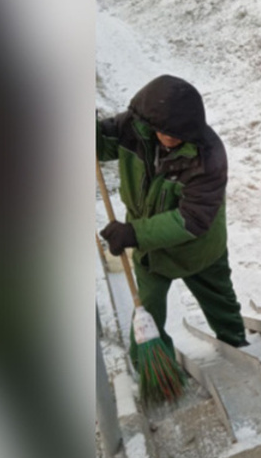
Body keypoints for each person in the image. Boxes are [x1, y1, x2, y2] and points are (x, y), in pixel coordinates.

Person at [97, 75, 249, 368]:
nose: (172, 138)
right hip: (152, 253)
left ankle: (238, 350)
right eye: (165, 132)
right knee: (148, 316)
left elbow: (191, 219)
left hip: (199, 250)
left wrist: (134, 233)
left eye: (180, 133)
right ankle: (154, 371)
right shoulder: (134, 127)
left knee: (221, 304)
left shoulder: (208, 157)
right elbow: (101, 145)